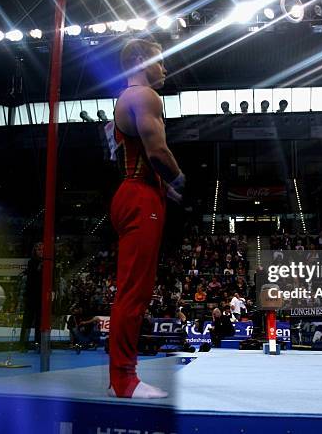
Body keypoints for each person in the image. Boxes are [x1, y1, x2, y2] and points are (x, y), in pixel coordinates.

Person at [107, 39, 185, 399]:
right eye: (161, 60)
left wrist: (161, 185)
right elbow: (158, 151)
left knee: (135, 289)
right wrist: (179, 180)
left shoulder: (123, 100)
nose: (165, 68)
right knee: (134, 291)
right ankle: (124, 380)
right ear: (140, 60)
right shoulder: (144, 96)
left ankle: (120, 377)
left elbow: (135, 154)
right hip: (140, 195)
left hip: (135, 190)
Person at [19, 242, 43, 352]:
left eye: (42, 249)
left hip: (41, 297)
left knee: (40, 322)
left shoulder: (48, 263)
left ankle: (38, 343)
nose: (41, 251)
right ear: (35, 251)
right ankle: (23, 344)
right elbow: (31, 280)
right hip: (31, 296)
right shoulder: (31, 262)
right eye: (39, 249)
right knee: (27, 321)